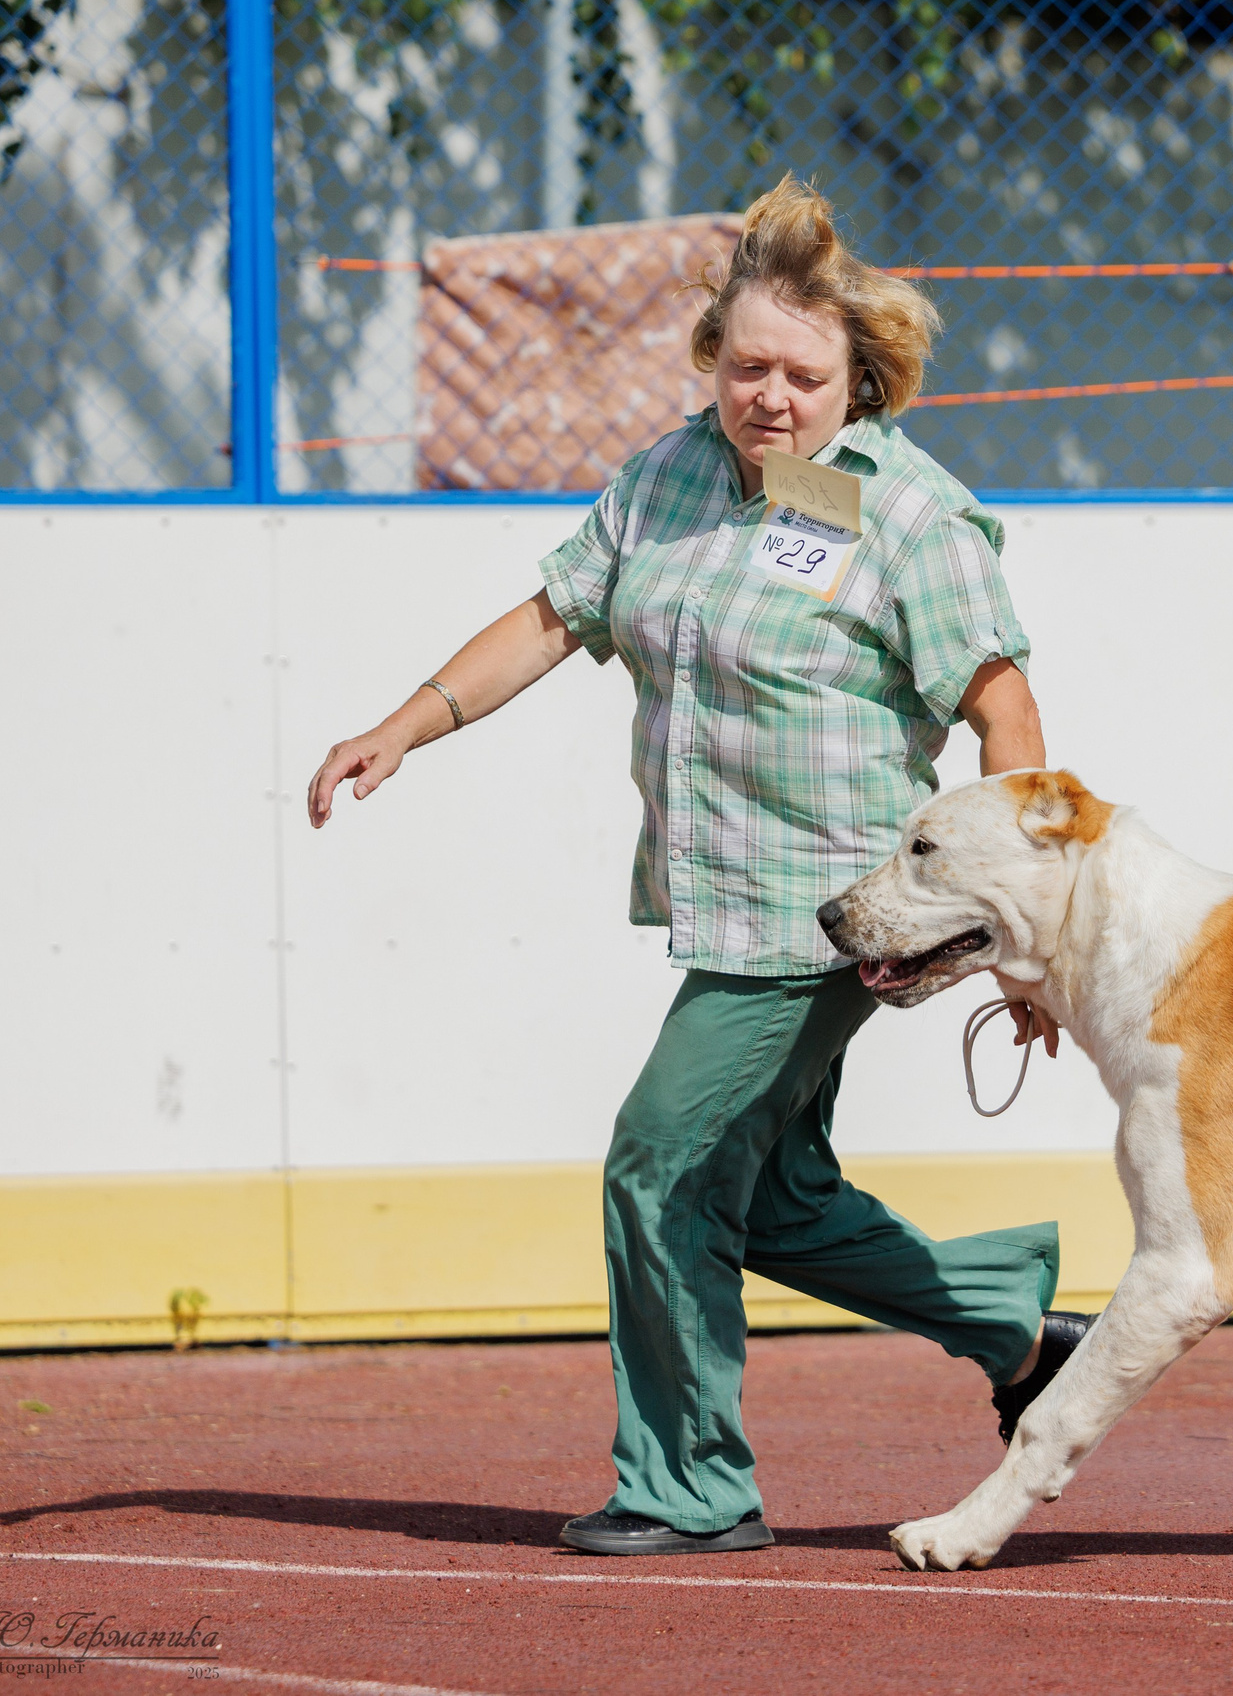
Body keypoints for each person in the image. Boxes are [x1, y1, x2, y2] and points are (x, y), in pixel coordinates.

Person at [307, 175, 1087, 1553]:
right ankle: (1016, 1327)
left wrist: (1016, 916)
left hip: (838, 912)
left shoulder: (911, 516)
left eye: (801, 373)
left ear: (862, 382)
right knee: (770, 1198)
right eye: (745, 366)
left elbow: (1000, 707)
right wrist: (403, 727)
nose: (769, 396)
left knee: (658, 1169)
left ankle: (688, 1487)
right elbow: (555, 615)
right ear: (711, 365)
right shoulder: (667, 477)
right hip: (719, 899)